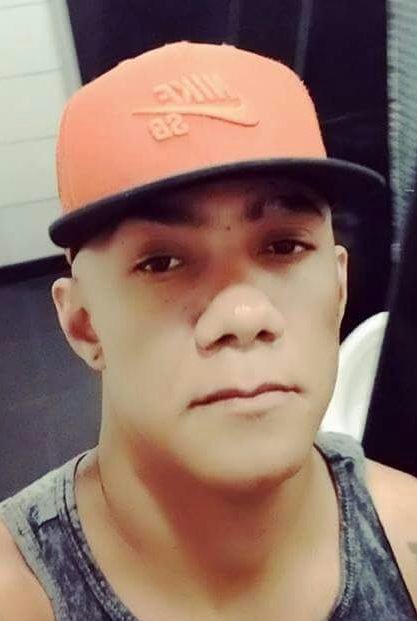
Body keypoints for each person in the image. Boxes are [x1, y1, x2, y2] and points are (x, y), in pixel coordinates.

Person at [0, 41, 416, 621]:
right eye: (161, 262)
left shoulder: (406, 536)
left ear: (339, 286)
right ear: (83, 323)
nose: (243, 316)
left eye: (284, 246)